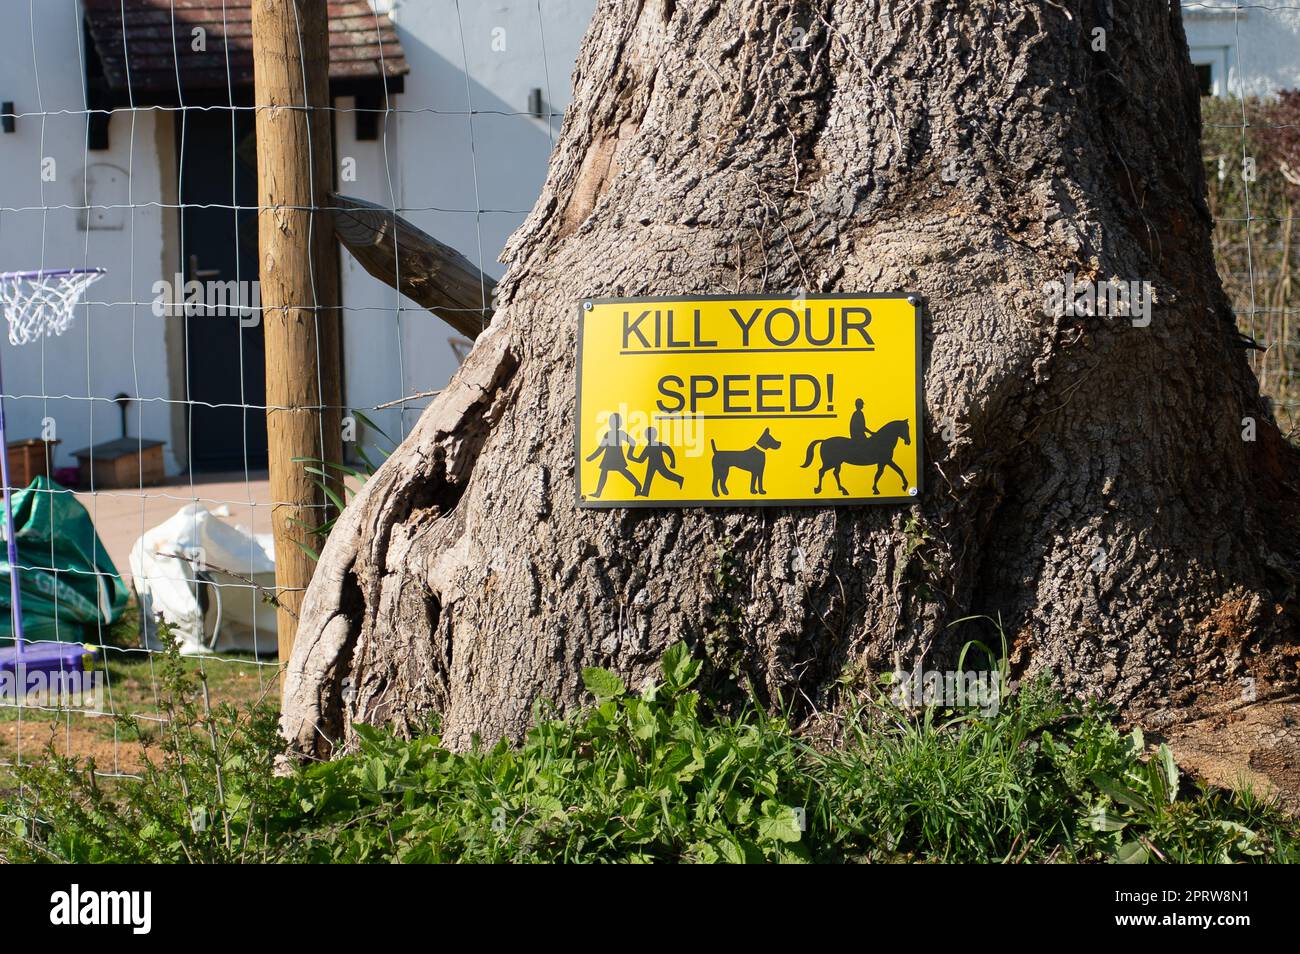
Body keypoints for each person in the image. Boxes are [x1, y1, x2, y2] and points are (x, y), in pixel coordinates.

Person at [586, 413, 642, 497]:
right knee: (604, 472)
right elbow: (601, 447)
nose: (613, 424)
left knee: (623, 472)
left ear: (619, 424)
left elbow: (632, 442)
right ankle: (598, 492)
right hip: (608, 457)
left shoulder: (621, 433)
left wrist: (629, 454)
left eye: (615, 422)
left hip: (617, 457)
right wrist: (592, 457)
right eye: (612, 421)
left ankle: (638, 485)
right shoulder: (608, 434)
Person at [629, 427, 684, 496]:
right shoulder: (648, 446)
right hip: (651, 464)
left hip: (659, 464)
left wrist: (673, 462)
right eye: (647, 435)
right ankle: (645, 492)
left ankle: (680, 479)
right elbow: (641, 460)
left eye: (650, 435)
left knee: (666, 474)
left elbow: (669, 450)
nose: (648, 437)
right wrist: (632, 458)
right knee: (649, 477)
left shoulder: (657, 444)